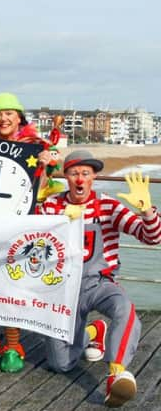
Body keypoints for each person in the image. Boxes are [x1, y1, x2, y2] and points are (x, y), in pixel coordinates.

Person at [37, 150, 160, 407]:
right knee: (61, 364)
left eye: (85, 173)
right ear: (66, 177)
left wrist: (147, 211)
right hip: (62, 289)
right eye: (73, 173)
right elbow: (23, 228)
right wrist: (41, 177)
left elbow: (151, 237)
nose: (80, 179)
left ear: (94, 177)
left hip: (100, 282)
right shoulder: (52, 205)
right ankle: (94, 330)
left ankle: (116, 374)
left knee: (124, 308)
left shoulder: (109, 206)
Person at [0, 92, 59, 372]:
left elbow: (55, 166)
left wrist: (48, 160)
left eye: (9, 114)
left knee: (12, 283)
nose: (3, 119)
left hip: (20, 226)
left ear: (19, 117)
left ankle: (13, 343)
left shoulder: (34, 144)